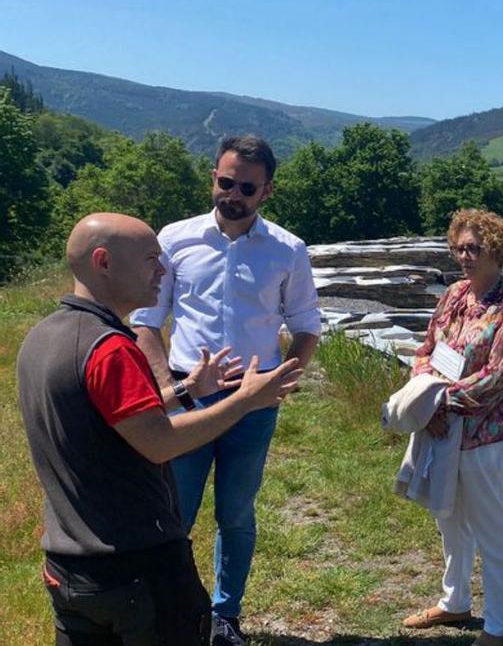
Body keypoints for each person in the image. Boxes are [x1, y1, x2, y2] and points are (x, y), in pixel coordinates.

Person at [18, 213, 302, 645]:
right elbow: (158, 441)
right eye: (152, 258)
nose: (164, 269)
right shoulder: (111, 349)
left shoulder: (45, 336)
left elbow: (110, 417)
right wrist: (247, 399)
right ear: (103, 262)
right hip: (136, 569)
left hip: (67, 567)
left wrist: (186, 390)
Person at [130, 135, 321, 646]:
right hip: (189, 391)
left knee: (235, 511)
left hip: (252, 402)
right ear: (212, 177)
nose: (232, 194)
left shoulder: (288, 249)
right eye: (224, 181)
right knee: (175, 511)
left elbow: (306, 326)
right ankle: (173, 610)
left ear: (267, 192)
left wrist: (283, 380)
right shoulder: (175, 239)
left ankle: (224, 615)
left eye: (246, 187)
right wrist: (170, 385)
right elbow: (147, 319)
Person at [402, 209, 503, 646]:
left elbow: (498, 375)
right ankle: (455, 601)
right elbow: (427, 349)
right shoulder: (456, 294)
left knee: (492, 526)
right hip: (442, 427)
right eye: (458, 248)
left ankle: (498, 625)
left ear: (496, 250)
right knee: (450, 517)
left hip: (486, 436)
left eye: (473, 248)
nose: (463, 256)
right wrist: (426, 398)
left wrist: (439, 401)